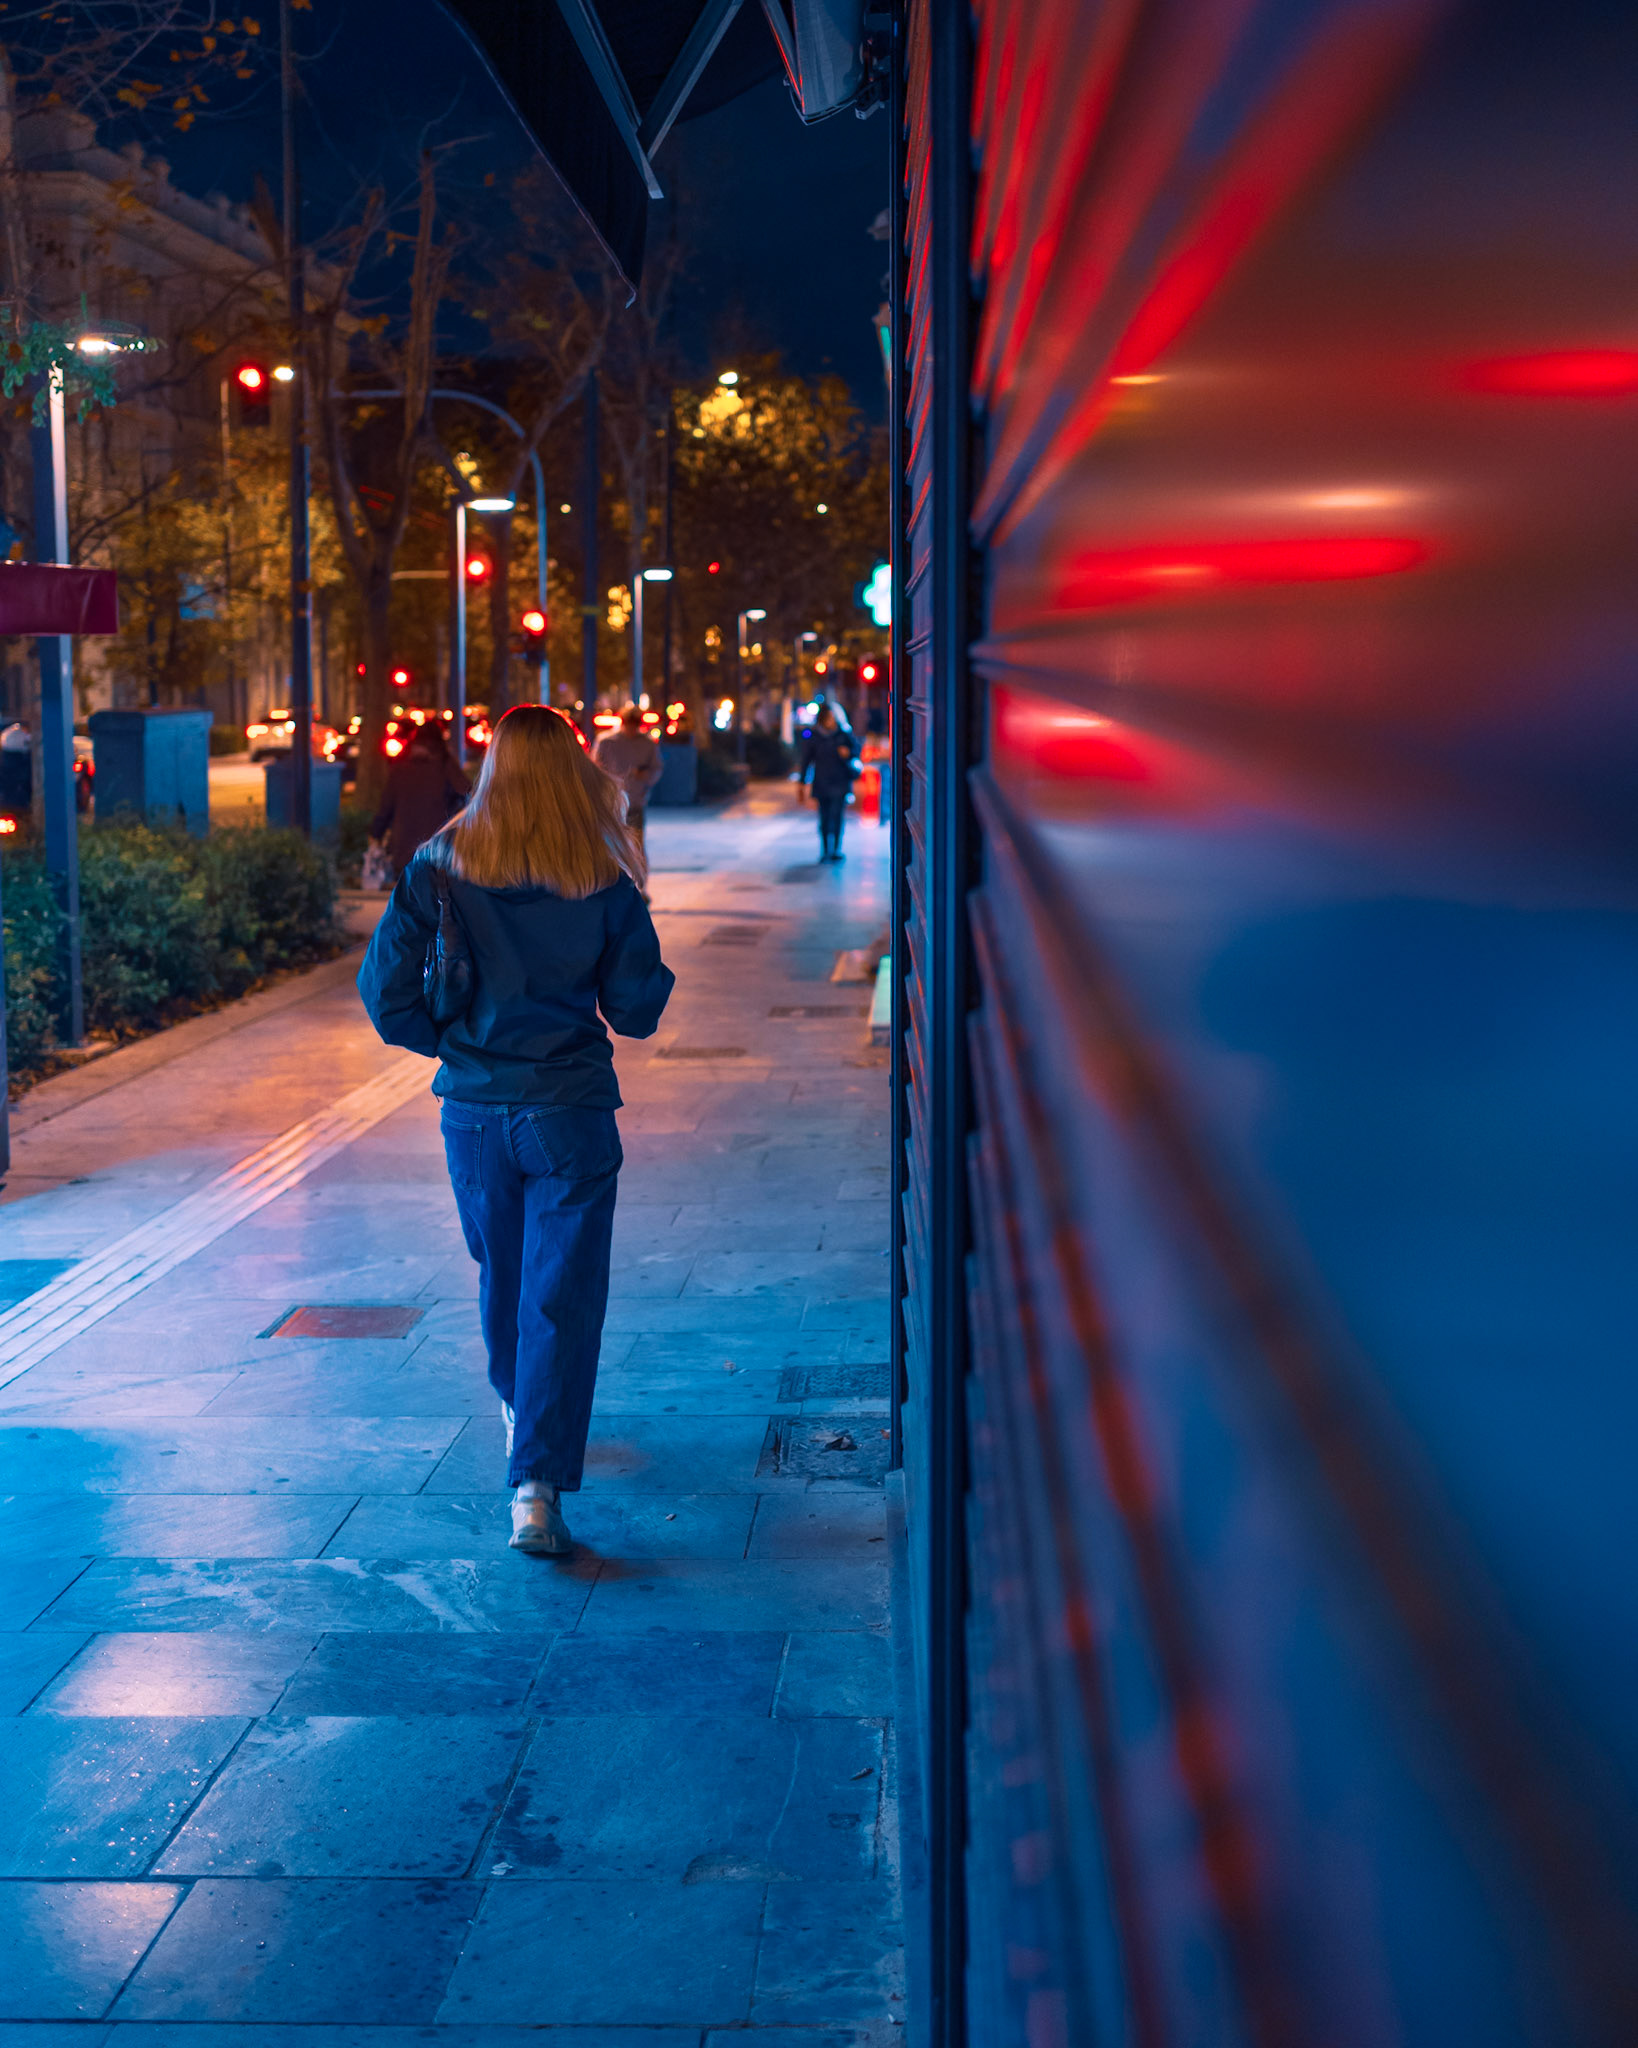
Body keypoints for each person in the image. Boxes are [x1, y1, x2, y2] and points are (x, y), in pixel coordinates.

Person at [357, 705, 674, 1556]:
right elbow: (637, 1010)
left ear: (493, 769)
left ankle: (519, 1414)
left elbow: (385, 998)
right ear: (573, 772)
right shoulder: (601, 874)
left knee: (502, 1276)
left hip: (474, 1111)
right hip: (568, 1110)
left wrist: (459, 1049)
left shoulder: (440, 867)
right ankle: (535, 1488)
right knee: (560, 1295)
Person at [371, 720, 470, 879]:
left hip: (404, 850)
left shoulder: (400, 768)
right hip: (439, 849)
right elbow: (468, 794)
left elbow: (385, 809)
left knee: (408, 896)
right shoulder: (446, 766)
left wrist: (376, 834)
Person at [594, 703, 664, 857]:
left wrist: (645, 777)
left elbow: (656, 769)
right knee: (609, 847)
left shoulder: (647, 744)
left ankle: (638, 879)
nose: (632, 728)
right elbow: (595, 768)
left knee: (637, 845)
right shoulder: (607, 742)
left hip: (634, 800)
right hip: (610, 802)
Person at [799, 702, 857, 862]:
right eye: (828, 718)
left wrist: (848, 753)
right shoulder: (815, 736)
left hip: (840, 781)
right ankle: (825, 850)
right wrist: (802, 782)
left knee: (837, 815)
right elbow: (806, 760)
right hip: (822, 782)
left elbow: (856, 751)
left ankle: (836, 849)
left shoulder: (843, 734)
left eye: (833, 718)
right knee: (824, 817)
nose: (831, 721)